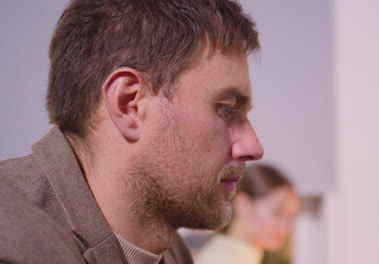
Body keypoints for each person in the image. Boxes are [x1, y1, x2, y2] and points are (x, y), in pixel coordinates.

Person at [0, 0, 264, 263]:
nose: (253, 147)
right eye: (227, 109)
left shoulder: (172, 251)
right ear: (129, 105)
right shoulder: (14, 245)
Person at [196, 164, 299, 264]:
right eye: (277, 214)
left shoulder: (241, 255)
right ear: (243, 204)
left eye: (290, 218)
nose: (285, 227)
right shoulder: (224, 259)